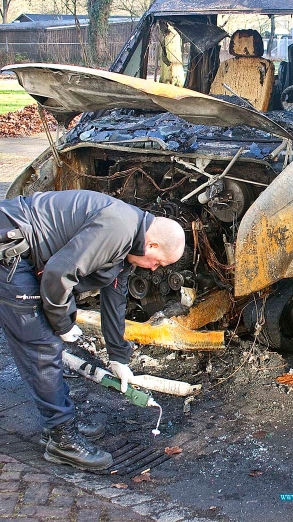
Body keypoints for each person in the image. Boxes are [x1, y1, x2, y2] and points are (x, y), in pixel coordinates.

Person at [0, 190, 185, 471]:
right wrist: (63, 324)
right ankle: (62, 440)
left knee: (46, 343)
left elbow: (114, 299)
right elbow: (58, 274)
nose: (153, 269)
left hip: (24, 249)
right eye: (157, 262)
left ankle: (60, 421)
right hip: (10, 249)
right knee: (43, 346)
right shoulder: (117, 229)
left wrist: (119, 358)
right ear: (153, 244)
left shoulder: (129, 241)